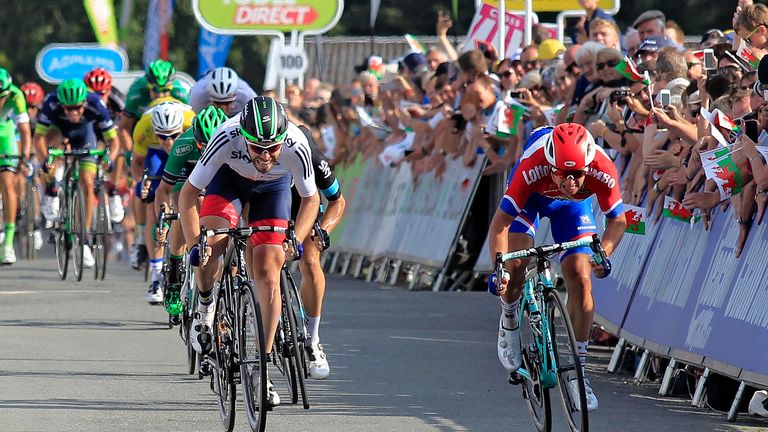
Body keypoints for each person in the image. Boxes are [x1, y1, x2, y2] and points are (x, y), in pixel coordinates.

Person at [178, 96, 320, 407]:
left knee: (269, 272)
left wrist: (294, 237)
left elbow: (311, 200)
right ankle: (205, 307)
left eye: (273, 148)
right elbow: (187, 194)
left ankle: (262, 368)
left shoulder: (296, 143)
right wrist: (195, 244)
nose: (267, 155)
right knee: (211, 247)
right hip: (228, 182)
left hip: (274, 190)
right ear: (244, 137)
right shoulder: (226, 136)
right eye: (258, 148)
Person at [487, 123, 627, 412]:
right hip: (530, 200)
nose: (572, 181)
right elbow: (500, 223)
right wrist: (498, 270)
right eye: (564, 174)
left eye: (579, 174)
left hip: (571, 209)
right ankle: (510, 318)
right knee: (516, 263)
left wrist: (603, 253)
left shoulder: (602, 166)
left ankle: (579, 372)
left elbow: (618, 221)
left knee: (581, 277)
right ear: (551, 166)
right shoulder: (532, 166)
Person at [35, 79, 119, 268]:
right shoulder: (51, 102)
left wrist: (108, 159)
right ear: (61, 104)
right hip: (58, 132)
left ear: (84, 103)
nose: (73, 112)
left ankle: (85, 236)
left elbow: (113, 140)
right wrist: (44, 160)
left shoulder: (96, 103)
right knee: (52, 146)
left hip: (85, 135)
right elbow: (38, 138)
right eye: (69, 108)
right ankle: (52, 189)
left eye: (78, 108)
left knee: (88, 183)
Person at [155, 105, 229, 316]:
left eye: (211, 145)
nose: (207, 149)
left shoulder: (232, 143)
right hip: (188, 175)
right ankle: (175, 274)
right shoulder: (183, 145)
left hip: (219, 176)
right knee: (182, 205)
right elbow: (164, 189)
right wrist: (161, 221)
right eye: (202, 145)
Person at [289, 125, 346, 380]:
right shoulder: (256, 152)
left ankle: (313, 340)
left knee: (311, 261)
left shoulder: (310, 154)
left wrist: (323, 230)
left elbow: (337, 202)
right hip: (265, 204)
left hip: (304, 208)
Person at [121, 59, 189, 270]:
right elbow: (124, 128)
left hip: (175, 142)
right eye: (155, 91)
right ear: (147, 85)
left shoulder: (181, 94)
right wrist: (129, 153)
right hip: (148, 140)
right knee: (143, 189)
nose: (160, 96)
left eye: (165, 91)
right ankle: (141, 234)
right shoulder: (136, 92)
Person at [132, 100, 195, 303]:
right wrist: (139, 185)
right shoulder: (144, 128)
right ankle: (157, 274)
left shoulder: (191, 124)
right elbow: (137, 162)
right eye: (163, 137)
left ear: (181, 129)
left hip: (186, 152)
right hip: (155, 155)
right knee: (153, 205)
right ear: (155, 131)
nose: (168, 142)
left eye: (173, 136)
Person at [83, 67, 126, 224]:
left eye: (102, 94)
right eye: (93, 93)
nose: (98, 98)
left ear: (109, 90)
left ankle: (113, 192)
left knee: (119, 143)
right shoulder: (83, 99)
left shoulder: (116, 98)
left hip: (109, 130)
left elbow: (126, 124)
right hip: (90, 131)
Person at [0, 68, 32, 264]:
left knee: (7, 181)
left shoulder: (16, 95)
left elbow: (25, 131)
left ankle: (8, 242)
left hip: (6, 133)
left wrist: (24, 158)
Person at [188, 66, 257, 116]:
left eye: (227, 102)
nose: (222, 107)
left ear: (235, 95)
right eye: (217, 102)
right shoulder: (197, 95)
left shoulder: (247, 96)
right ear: (209, 95)